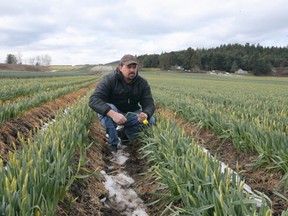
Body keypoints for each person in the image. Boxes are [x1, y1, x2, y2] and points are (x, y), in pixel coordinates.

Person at [89, 54, 156, 151]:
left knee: (151, 120)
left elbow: (149, 103)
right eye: (129, 67)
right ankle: (113, 143)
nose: (132, 70)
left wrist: (146, 114)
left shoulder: (142, 83)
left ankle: (127, 136)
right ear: (120, 67)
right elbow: (94, 100)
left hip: (132, 114)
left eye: (134, 67)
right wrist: (113, 114)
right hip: (113, 113)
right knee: (108, 108)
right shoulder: (110, 79)